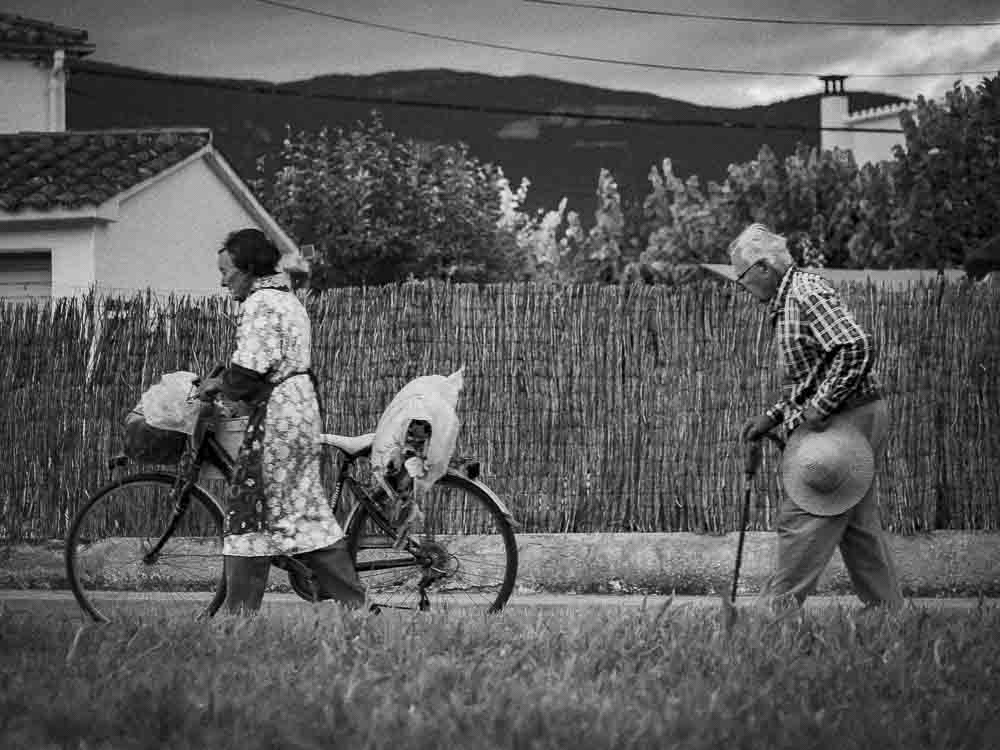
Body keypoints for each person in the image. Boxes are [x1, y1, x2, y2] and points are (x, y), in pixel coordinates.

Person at [716, 223, 903, 611]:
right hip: (852, 416)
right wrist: (773, 416)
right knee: (857, 524)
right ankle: (889, 615)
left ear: (765, 267)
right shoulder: (787, 302)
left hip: (848, 419)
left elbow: (855, 346)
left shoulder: (805, 292)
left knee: (806, 511)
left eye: (743, 277)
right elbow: (812, 376)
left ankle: (774, 617)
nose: (742, 286)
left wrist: (824, 405)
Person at [196, 228, 365, 614]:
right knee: (282, 512)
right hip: (297, 409)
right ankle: (243, 615)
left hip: (278, 420)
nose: (223, 280)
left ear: (249, 269)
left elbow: (250, 368)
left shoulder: (261, 303)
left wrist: (218, 386)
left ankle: (352, 604)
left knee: (272, 513)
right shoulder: (287, 301)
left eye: (227, 271)